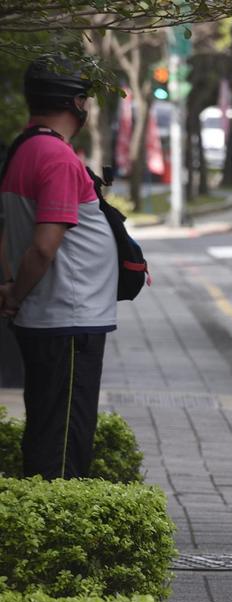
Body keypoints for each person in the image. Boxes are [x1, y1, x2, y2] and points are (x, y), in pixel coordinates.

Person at [0, 57, 115, 480]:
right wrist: (16, 293)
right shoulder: (58, 158)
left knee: (46, 432)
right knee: (64, 446)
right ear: (77, 103)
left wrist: (12, 289)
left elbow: (10, 236)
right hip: (67, 318)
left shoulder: (23, 148)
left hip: (48, 317)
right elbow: (45, 246)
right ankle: (60, 531)